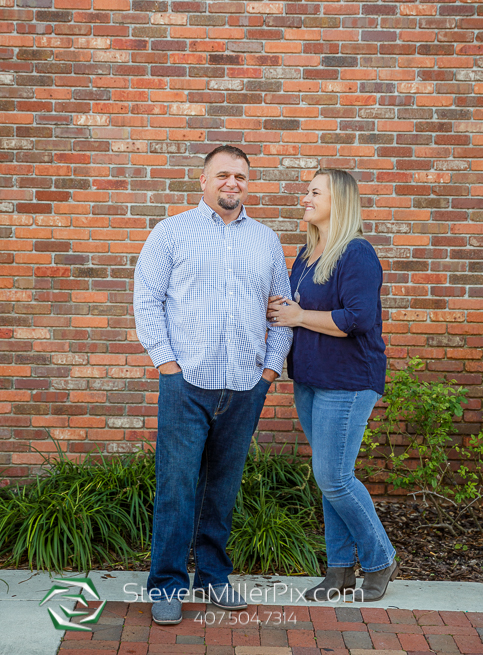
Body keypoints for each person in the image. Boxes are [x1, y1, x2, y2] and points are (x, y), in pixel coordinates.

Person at [134, 145, 293, 625]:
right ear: (203, 180)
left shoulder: (266, 241)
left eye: (241, 176)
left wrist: (269, 371)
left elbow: (282, 310)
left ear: (248, 183)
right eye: (222, 174)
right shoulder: (171, 232)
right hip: (187, 383)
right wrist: (166, 365)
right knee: (178, 487)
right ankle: (165, 585)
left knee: (221, 489)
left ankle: (213, 577)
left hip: (245, 385)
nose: (232, 183)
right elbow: (147, 299)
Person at [268, 168, 398, 603]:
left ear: (337, 201)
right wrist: (284, 308)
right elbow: (299, 308)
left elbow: (357, 319)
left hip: (348, 381)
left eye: (314, 192)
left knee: (335, 476)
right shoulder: (307, 255)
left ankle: (380, 560)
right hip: (310, 378)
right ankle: (339, 571)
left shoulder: (356, 253)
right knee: (329, 478)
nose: (305, 198)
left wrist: (299, 315)